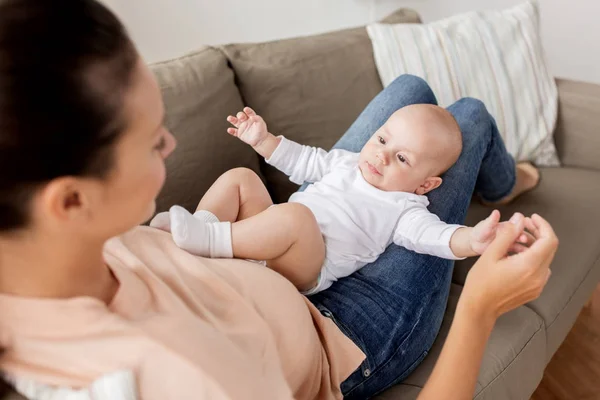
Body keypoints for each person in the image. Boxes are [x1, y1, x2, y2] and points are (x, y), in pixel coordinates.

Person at [0, 1, 557, 399]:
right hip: (337, 329)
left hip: (283, 250)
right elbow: (328, 177)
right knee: (472, 117)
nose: (170, 144)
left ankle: (492, 179)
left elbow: (322, 177)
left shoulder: (39, 262)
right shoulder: (189, 382)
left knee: (411, 92)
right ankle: (501, 184)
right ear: (69, 201)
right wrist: (480, 303)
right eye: (152, 140)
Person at [150, 104, 536, 295]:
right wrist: (262, 140)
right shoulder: (349, 163)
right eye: (383, 139)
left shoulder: (405, 210)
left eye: (402, 158)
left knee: (297, 216)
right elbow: (303, 161)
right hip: (266, 236)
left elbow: (436, 238)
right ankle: (201, 228)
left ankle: (209, 241)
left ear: (426, 185)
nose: (381, 155)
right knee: (242, 178)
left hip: (301, 267)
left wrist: (473, 239)